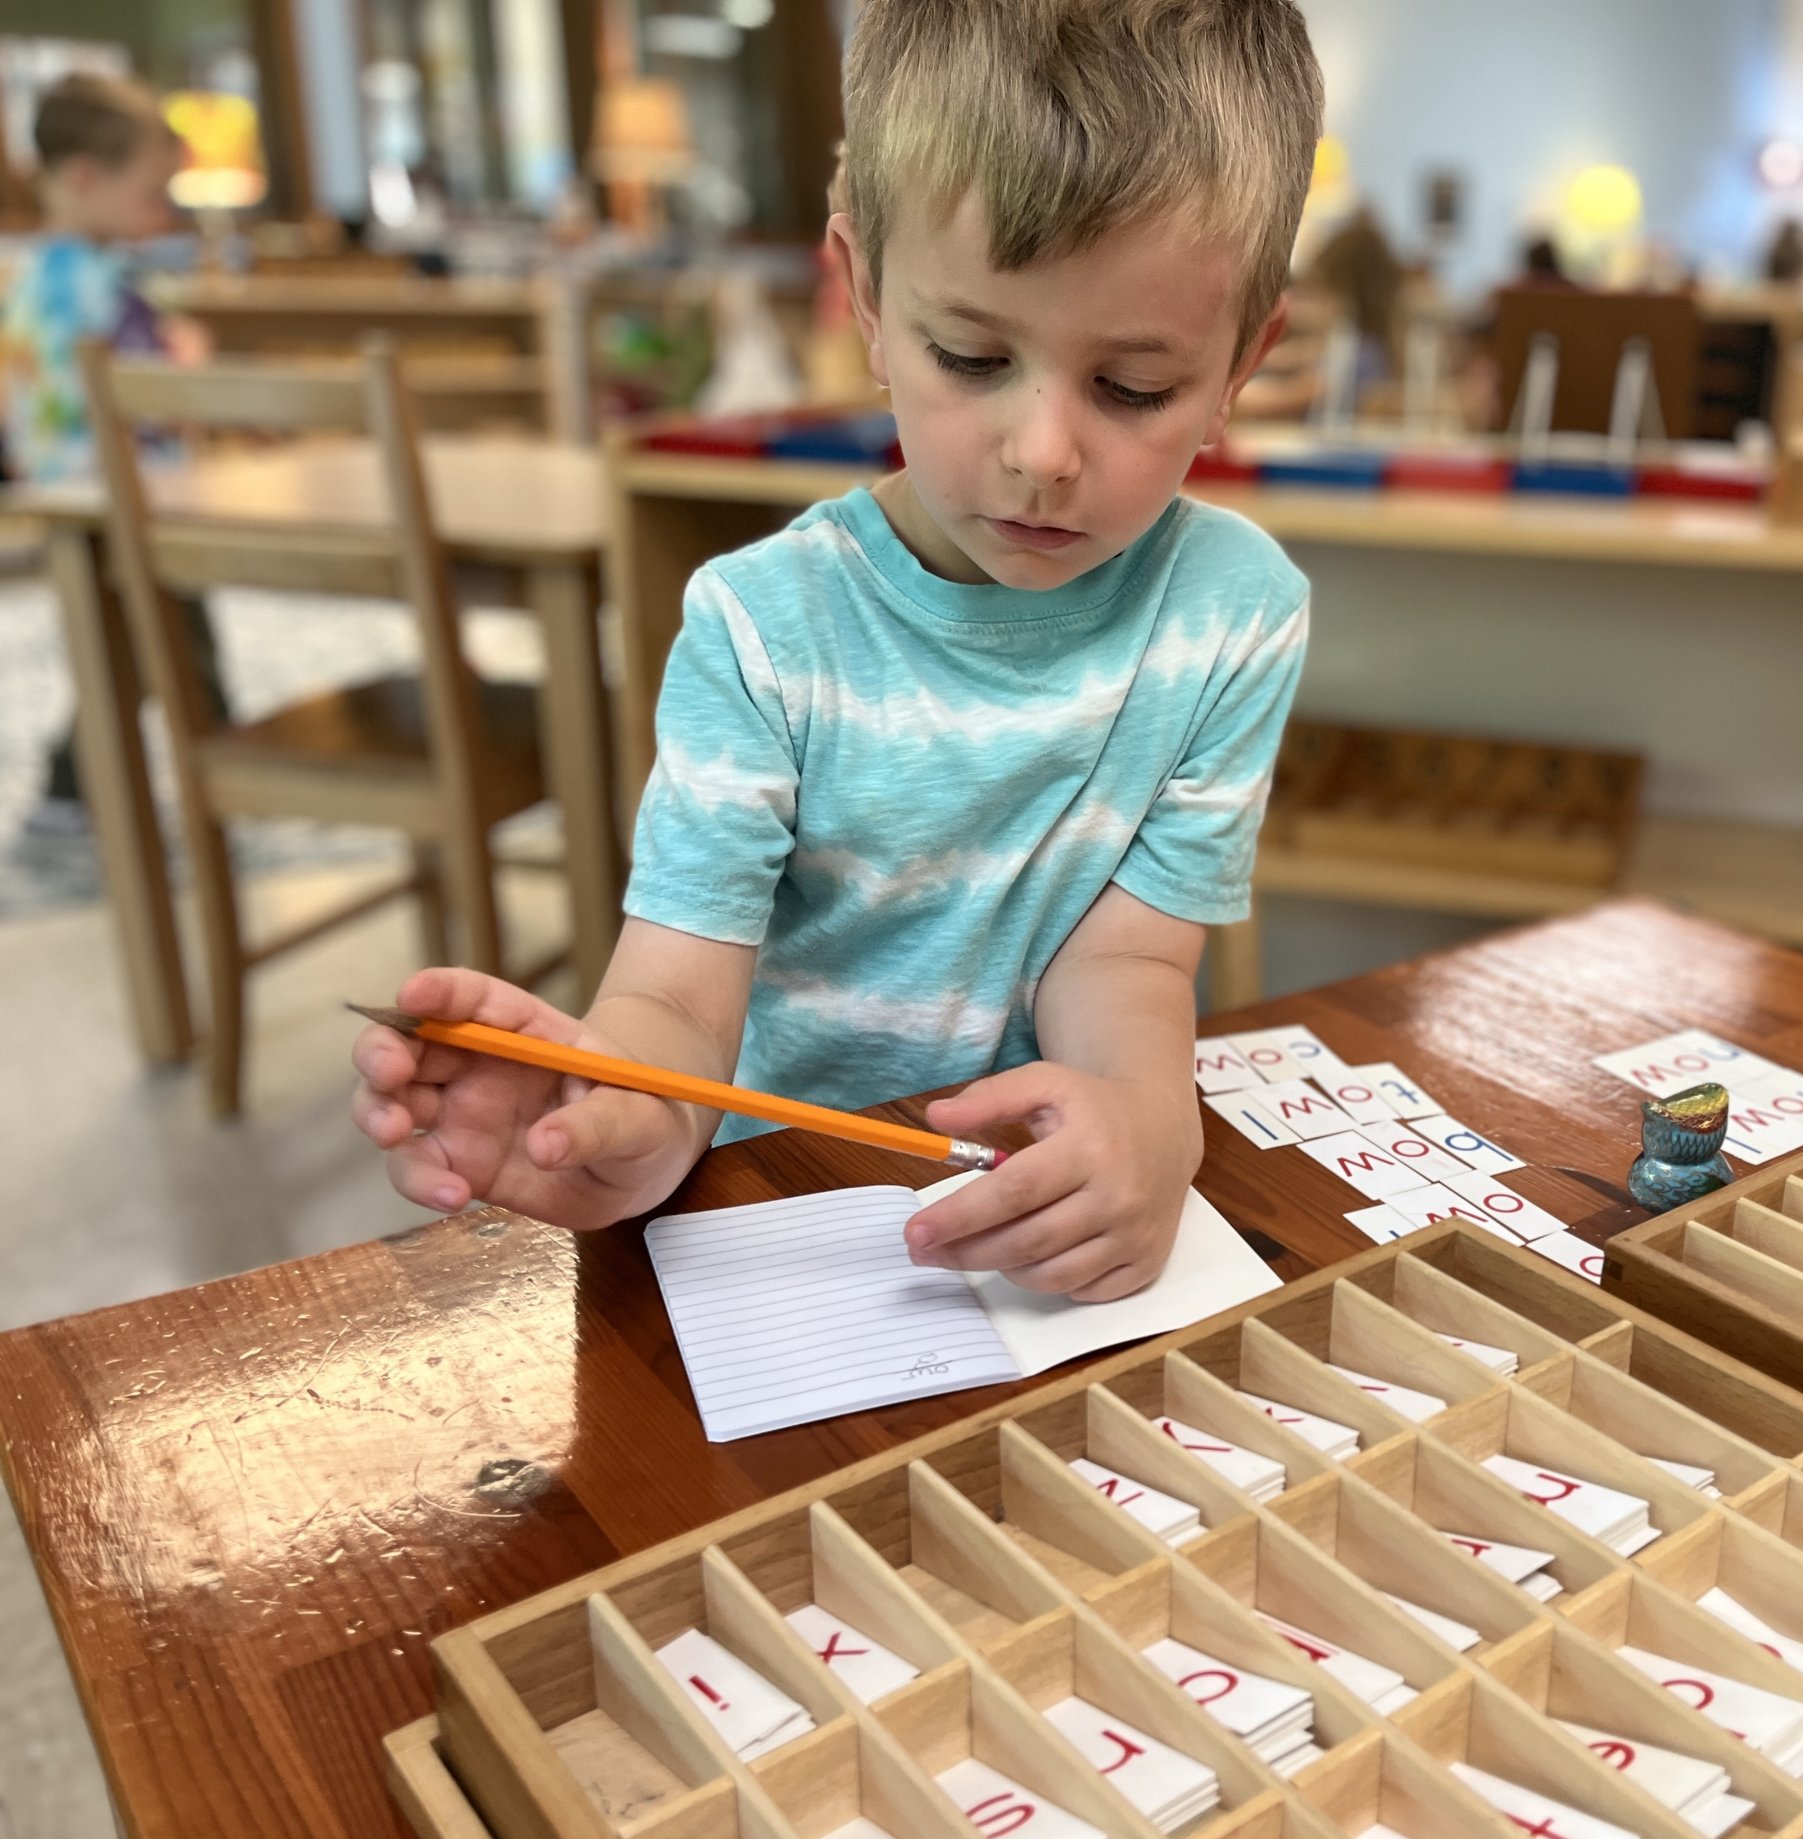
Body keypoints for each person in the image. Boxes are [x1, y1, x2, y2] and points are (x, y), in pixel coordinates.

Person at [351, 0, 1324, 1302]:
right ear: (865, 291)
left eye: (1134, 387)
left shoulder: (1234, 609)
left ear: (1241, 362)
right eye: (971, 353)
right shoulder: (761, 627)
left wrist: (1149, 1113)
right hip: (776, 1212)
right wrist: (618, 1120)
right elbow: (682, 1008)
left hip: (1018, 1210)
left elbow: (1129, 956)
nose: (1043, 449)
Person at [2, 72, 211, 829]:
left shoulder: (28, 277)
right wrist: (186, 362)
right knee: (161, 642)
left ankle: (75, 783)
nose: (159, 214)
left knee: (120, 647)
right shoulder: (93, 287)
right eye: (151, 194)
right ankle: (217, 766)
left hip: (75, 496)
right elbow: (151, 390)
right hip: (129, 498)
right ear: (86, 179)